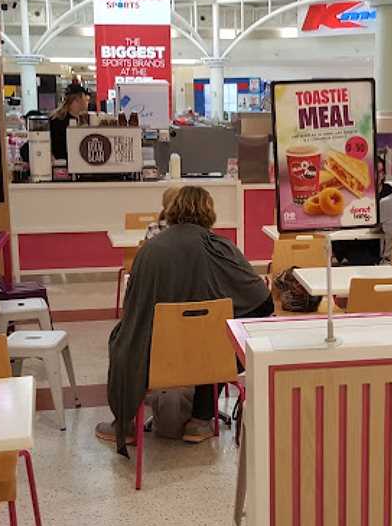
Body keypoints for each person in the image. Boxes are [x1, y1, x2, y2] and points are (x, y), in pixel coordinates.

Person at [98, 186, 272, 452]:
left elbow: (134, 311)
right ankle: (201, 420)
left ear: (170, 210)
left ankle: (125, 424)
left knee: (122, 336)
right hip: (207, 360)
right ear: (209, 212)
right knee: (223, 337)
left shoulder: (150, 250)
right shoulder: (220, 248)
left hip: (156, 357)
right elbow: (263, 302)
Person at [332, 155, 392, 266]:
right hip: (357, 240)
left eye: (380, 172)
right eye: (373, 172)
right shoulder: (357, 190)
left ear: (384, 174)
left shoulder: (389, 191)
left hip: (379, 239)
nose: (377, 176)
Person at [48, 84, 90, 161]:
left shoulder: (55, 118)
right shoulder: (57, 121)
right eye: (85, 98)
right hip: (62, 167)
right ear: (77, 99)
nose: (87, 101)